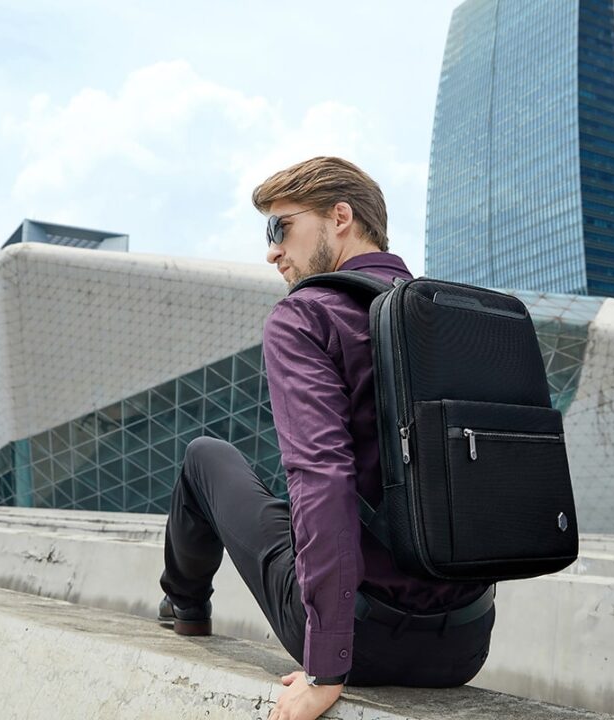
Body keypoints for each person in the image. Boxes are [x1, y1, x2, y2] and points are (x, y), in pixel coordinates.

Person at [158, 156, 495, 720]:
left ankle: (184, 605)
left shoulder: (307, 315)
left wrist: (326, 666)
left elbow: (323, 480)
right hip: (464, 644)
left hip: (363, 640)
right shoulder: (455, 317)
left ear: (341, 217)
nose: (272, 251)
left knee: (204, 456)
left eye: (280, 227)